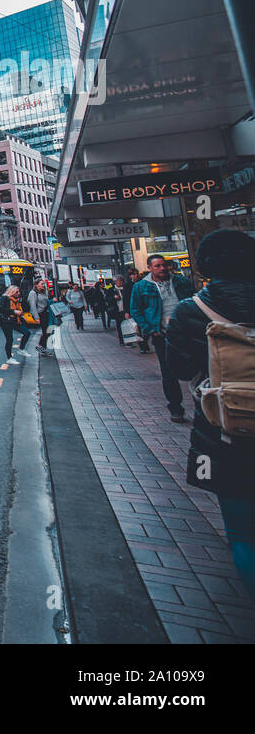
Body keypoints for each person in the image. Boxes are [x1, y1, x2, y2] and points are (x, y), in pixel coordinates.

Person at [165, 229, 255, 597]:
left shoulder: (190, 309)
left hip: (224, 427)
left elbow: (181, 370)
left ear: (203, 266)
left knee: (241, 531)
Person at [130, 254, 194, 422]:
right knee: (168, 372)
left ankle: (202, 405)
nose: (162, 268)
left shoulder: (182, 282)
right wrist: (150, 329)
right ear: (150, 268)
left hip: (186, 333)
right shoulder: (141, 287)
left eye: (163, 265)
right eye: (157, 266)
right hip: (162, 334)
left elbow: (194, 301)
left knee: (196, 369)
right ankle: (175, 408)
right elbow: (136, 310)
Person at [0, 284, 31, 362]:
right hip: (6, 321)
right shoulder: (5, 299)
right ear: (12, 292)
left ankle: (21, 349)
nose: (19, 293)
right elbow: (2, 310)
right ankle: (9, 358)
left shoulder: (16, 300)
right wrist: (14, 312)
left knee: (27, 332)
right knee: (9, 340)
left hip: (15, 321)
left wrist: (20, 315)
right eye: (17, 292)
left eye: (19, 292)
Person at [28, 279, 55, 357]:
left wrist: (52, 300)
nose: (44, 285)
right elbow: (32, 306)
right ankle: (41, 347)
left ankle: (42, 347)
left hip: (46, 314)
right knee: (46, 331)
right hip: (40, 314)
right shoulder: (33, 293)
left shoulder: (42, 293)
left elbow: (45, 303)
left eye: (44, 284)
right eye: (42, 284)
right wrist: (36, 317)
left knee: (48, 331)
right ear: (36, 285)